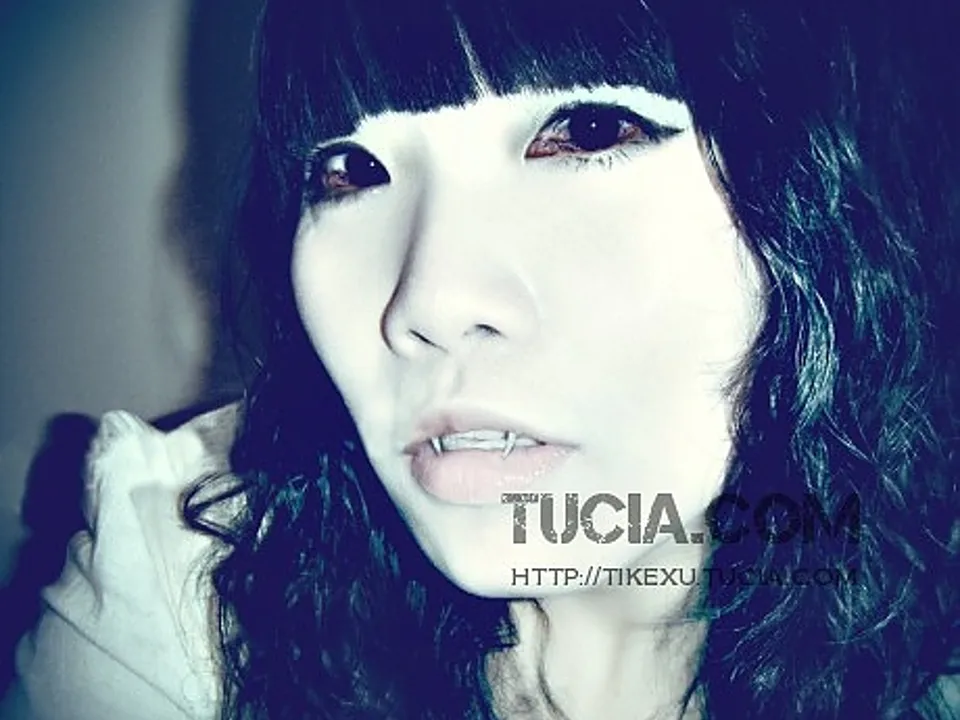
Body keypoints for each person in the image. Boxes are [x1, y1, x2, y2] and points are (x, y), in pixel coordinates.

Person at [3, 0, 958, 718]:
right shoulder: (182, 570)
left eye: (588, 130)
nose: (428, 302)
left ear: (834, 198)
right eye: (351, 171)